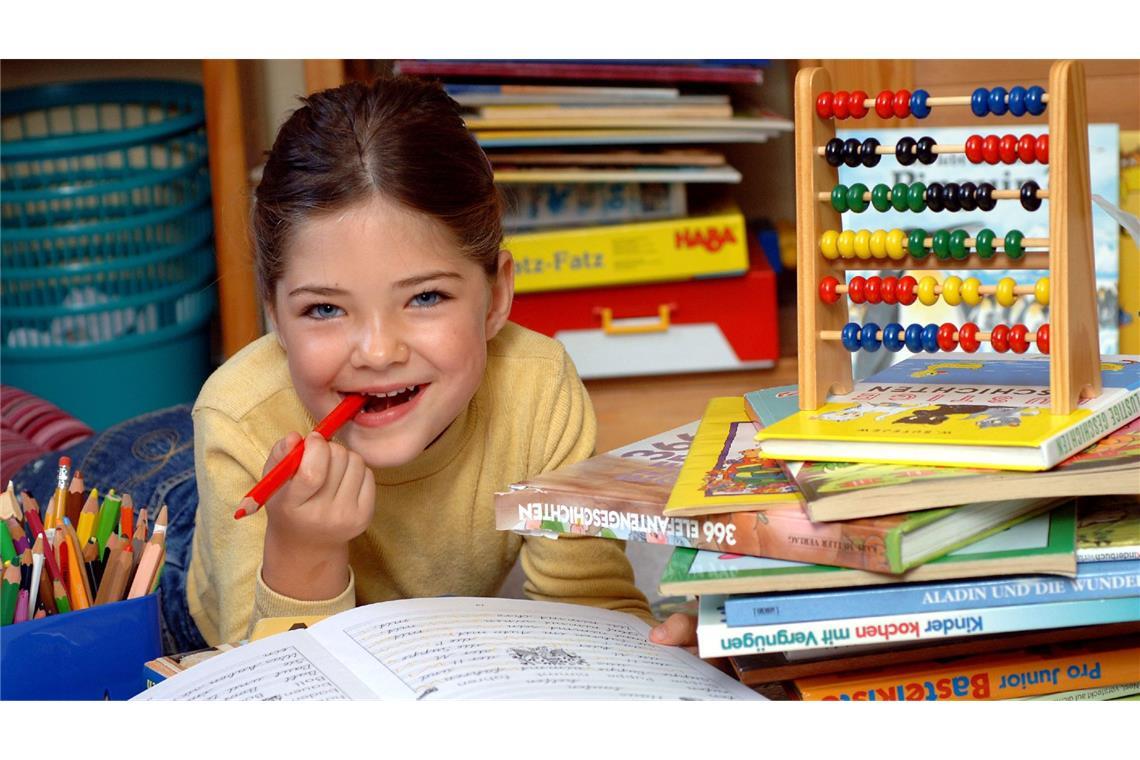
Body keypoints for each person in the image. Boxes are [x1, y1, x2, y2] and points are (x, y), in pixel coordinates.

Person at [184, 76, 697, 650]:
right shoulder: (239, 418)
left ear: (496, 298)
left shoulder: (539, 388)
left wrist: (656, 652)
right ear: (274, 315)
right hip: (199, 557)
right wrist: (303, 552)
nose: (378, 352)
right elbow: (263, 685)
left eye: (425, 298)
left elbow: (590, 606)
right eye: (324, 308)